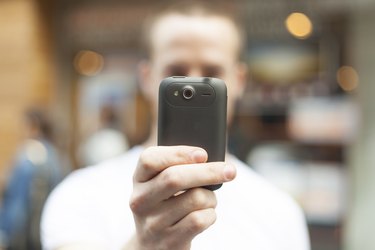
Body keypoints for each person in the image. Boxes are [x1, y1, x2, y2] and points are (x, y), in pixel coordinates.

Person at [41, 3, 310, 250]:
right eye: (176, 70)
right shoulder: (80, 195)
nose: (192, 81)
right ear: (146, 78)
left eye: (212, 72)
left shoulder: (279, 211)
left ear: (238, 81)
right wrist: (144, 245)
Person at [0, 109, 63, 250]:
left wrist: (4, 231)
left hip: (23, 234)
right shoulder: (56, 155)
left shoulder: (27, 156)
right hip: (47, 230)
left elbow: (16, 201)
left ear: (33, 126)